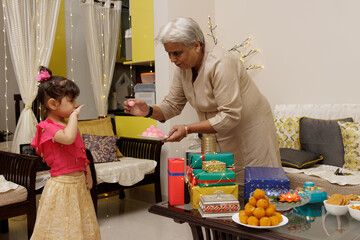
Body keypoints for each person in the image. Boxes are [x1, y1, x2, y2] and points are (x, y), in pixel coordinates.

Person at [124, 17, 281, 185]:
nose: (172, 59)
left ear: (196, 45)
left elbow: (230, 116)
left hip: (251, 131)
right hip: (222, 133)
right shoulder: (183, 68)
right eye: (169, 53)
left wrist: (187, 129)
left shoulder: (222, 63)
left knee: (260, 191)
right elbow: (172, 104)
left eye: (176, 53)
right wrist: (148, 110)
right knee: (228, 187)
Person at [30, 66, 101, 240]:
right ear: (53, 104)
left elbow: (79, 149)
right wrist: (75, 118)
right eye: (71, 101)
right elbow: (68, 138)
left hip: (78, 185)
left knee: (80, 226)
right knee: (62, 227)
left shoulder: (68, 124)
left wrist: (88, 172)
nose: (76, 105)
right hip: (62, 186)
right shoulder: (46, 127)